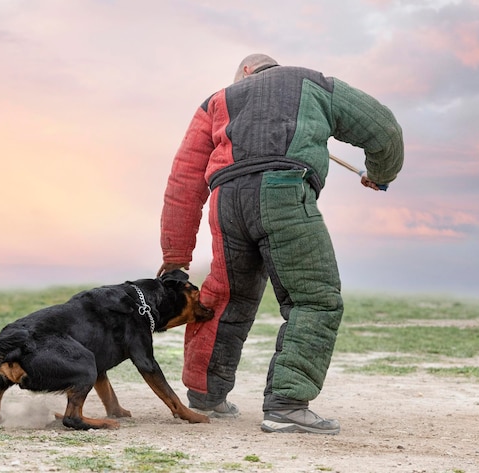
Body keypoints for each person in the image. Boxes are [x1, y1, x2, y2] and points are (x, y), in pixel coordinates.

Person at [157, 53, 403, 434]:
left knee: (224, 297)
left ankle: (206, 395)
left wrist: (176, 257)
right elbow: (383, 129)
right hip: (283, 193)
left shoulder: (217, 100)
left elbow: (183, 183)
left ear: (246, 74)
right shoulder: (314, 82)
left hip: (227, 203)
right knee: (314, 298)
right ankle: (287, 405)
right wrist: (380, 172)